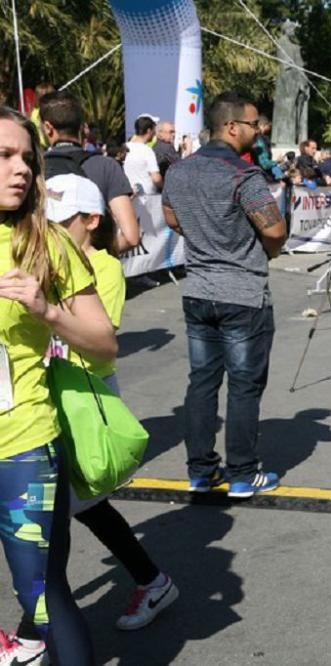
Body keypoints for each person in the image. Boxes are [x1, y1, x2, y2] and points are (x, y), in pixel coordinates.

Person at [0, 106, 115, 665]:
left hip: (23, 444)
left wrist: (46, 310)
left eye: (27, 158)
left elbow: (102, 342)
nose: (20, 169)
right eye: (4, 156)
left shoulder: (47, 244)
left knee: (41, 596)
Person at [41, 174, 179, 633]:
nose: (50, 229)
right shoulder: (41, 259)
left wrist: (45, 316)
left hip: (84, 396)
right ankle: (151, 579)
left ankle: (35, 624)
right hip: (45, 397)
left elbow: (101, 339)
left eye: (61, 222)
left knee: (66, 509)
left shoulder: (102, 268)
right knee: (76, 507)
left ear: (91, 220)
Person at [161, 91, 288, 499]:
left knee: (202, 382)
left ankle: (200, 471)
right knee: (244, 385)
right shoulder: (243, 175)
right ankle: (242, 473)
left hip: (197, 290)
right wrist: (258, 250)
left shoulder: (180, 171)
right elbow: (275, 230)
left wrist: (203, 238)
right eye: (254, 124)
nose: (258, 130)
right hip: (242, 294)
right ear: (232, 127)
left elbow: (170, 216)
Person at [38, 91, 140, 251]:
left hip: (44, 271)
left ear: (47, 127)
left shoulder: (32, 169)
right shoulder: (106, 166)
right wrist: (96, 254)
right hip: (96, 271)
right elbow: (131, 237)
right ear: (82, 127)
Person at [123, 115, 162, 194]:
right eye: (154, 130)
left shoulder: (124, 147)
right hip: (146, 198)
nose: (154, 134)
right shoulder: (147, 151)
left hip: (128, 195)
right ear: (149, 130)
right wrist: (164, 187)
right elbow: (156, 178)